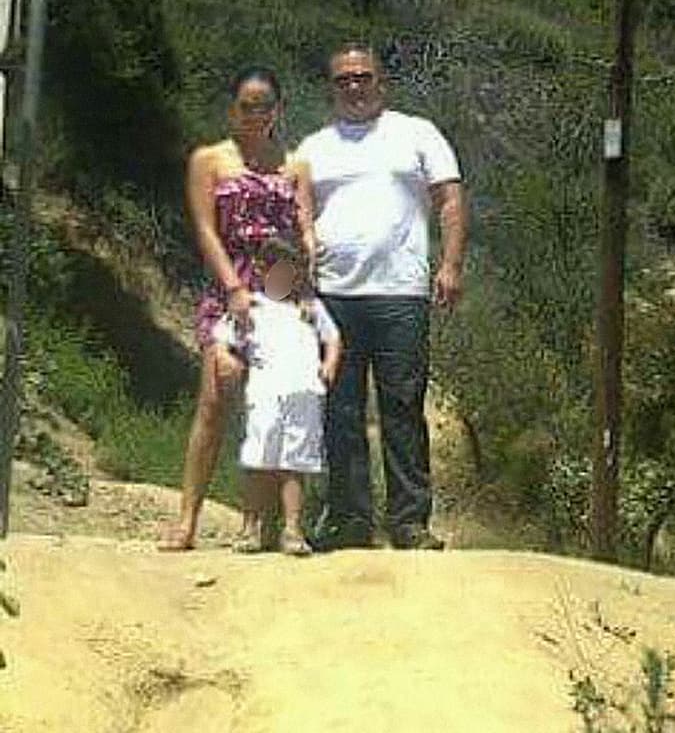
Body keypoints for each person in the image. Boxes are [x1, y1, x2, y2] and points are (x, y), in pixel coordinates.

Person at [291, 43, 467, 551]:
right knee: (339, 411)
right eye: (344, 79)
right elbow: (299, 216)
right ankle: (350, 520)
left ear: (381, 83)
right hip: (333, 296)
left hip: (400, 294)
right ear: (332, 88)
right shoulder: (314, 147)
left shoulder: (416, 133)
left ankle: (409, 522)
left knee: (403, 405)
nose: (354, 86)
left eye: (362, 77)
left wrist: (451, 264)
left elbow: (450, 198)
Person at [158, 67, 315, 551]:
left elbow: (304, 223)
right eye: (247, 105)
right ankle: (187, 520)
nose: (256, 114)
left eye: (265, 105)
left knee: (279, 406)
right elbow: (205, 229)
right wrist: (232, 287)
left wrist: (308, 275)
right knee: (217, 392)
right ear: (232, 108)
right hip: (231, 287)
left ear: (278, 109)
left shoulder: (294, 165)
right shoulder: (209, 160)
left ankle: (269, 525)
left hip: (282, 292)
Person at [213, 235, 343, 556]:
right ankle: (250, 527)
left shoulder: (310, 309)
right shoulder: (251, 307)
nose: (285, 279)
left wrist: (329, 365)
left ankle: (293, 529)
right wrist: (227, 359)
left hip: (304, 393)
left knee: (294, 462)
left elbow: (334, 338)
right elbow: (221, 339)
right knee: (259, 459)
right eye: (279, 271)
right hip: (266, 391)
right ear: (262, 270)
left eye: (291, 272)